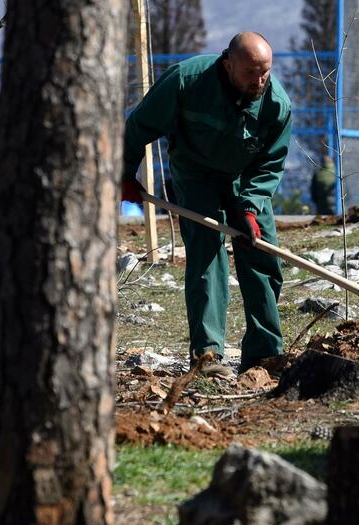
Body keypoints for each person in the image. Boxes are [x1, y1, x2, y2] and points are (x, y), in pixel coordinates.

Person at [121, 32, 292, 377]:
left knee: (262, 253)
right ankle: (208, 356)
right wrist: (123, 173)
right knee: (207, 255)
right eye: (250, 73)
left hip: (245, 178)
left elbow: (270, 164)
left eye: (266, 72)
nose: (259, 81)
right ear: (228, 64)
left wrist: (249, 207)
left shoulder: (277, 105)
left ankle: (264, 353)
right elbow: (139, 126)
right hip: (196, 174)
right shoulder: (186, 81)